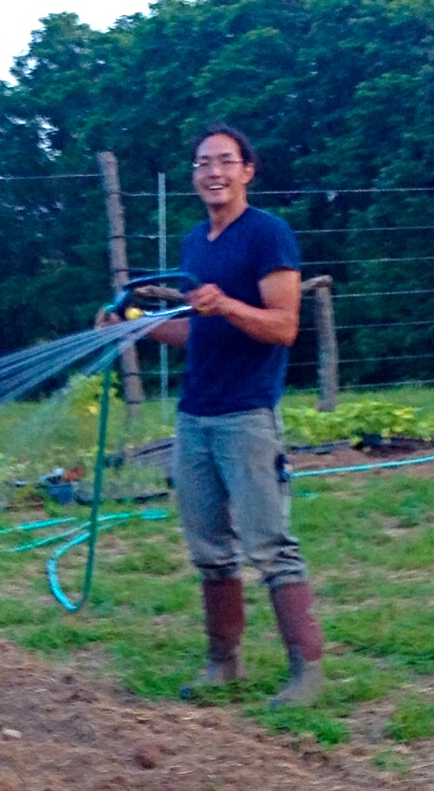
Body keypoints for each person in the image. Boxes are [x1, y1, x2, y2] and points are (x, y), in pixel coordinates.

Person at [118, 124, 325, 705]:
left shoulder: (268, 235)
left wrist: (228, 303)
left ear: (247, 170)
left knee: (270, 545)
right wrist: (135, 328)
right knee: (209, 549)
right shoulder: (195, 243)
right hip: (195, 416)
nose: (214, 172)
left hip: (247, 415)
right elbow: (198, 334)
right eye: (203, 163)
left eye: (225, 162)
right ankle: (223, 663)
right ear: (194, 175)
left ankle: (306, 672)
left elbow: (284, 327)